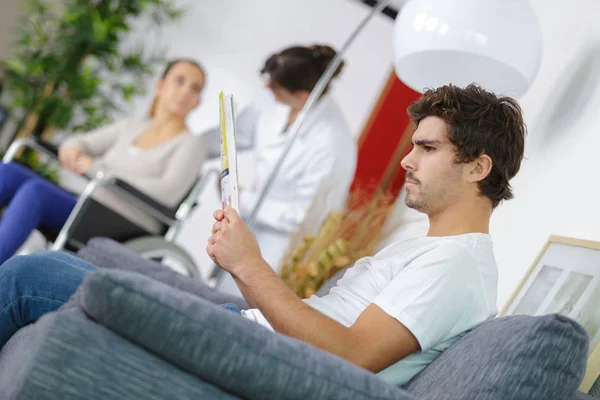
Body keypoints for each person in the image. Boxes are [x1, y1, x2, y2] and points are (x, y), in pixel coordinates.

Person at [0, 84, 526, 386]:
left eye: (428, 149)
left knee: (30, 277)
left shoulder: (457, 266)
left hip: (255, 352)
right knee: (46, 275)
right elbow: (322, 324)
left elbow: (349, 357)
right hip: (251, 331)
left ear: (478, 167)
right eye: (412, 145)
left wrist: (250, 266)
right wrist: (241, 264)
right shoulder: (431, 249)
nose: (407, 161)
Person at [0, 59, 207, 264]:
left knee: (35, 193)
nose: (185, 91)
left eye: (195, 88)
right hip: (88, 206)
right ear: (160, 85)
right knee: (8, 172)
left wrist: (99, 172)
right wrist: (72, 148)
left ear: (198, 101)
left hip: (124, 228)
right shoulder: (134, 125)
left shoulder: (191, 144)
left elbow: (168, 192)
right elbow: (82, 142)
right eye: (179, 81)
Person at [204, 44, 357, 292]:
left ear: (301, 97)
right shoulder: (274, 103)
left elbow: (305, 215)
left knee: (235, 301)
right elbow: (233, 136)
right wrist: (187, 145)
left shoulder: (332, 141)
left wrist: (245, 199)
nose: (267, 87)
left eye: (275, 86)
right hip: (246, 226)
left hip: (278, 247)